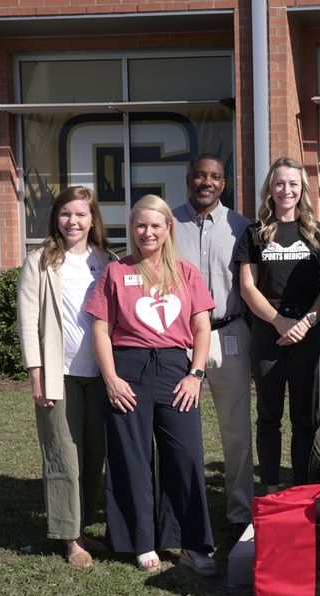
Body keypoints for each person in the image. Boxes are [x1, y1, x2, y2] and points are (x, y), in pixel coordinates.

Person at [85, 195, 217, 575]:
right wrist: (110, 378)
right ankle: (141, 541)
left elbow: (201, 327)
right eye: (140, 225)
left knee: (186, 456)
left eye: (155, 225)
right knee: (131, 458)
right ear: (131, 228)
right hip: (128, 368)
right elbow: (101, 328)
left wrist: (196, 374)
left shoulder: (186, 272)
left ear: (167, 229)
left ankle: (192, 544)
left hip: (177, 370)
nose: (147, 232)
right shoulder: (115, 272)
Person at [17, 186, 116, 568]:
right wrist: (36, 374)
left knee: (94, 454)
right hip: (60, 373)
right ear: (55, 217)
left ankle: (83, 525)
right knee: (63, 456)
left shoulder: (108, 260)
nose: (72, 221)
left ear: (93, 220)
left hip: (100, 374)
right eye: (65, 214)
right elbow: (28, 321)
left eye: (80, 214)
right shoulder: (39, 260)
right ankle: (69, 538)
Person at [237, 157, 320, 493]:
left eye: (293, 184)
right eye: (280, 183)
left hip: (307, 336)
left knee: (304, 420)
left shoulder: (319, 233)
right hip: (268, 334)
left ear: (302, 189)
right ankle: (268, 489)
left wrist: (306, 323)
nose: (286, 190)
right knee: (268, 417)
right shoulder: (254, 233)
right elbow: (247, 287)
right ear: (270, 188)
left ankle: (302, 489)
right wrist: (279, 321)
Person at [173, 153, 255, 540]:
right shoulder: (167, 224)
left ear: (225, 183)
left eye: (216, 177)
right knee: (177, 428)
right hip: (179, 338)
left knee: (236, 428)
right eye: (201, 175)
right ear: (189, 178)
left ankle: (240, 512)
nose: (207, 182)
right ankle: (180, 510)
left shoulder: (242, 226)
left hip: (230, 333)